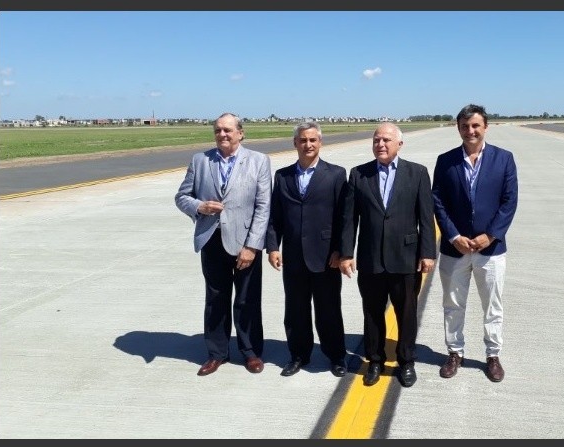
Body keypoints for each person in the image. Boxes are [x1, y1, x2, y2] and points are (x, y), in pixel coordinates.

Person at [339, 122, 436, 388]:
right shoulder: (359, 174)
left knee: (406, 312)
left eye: (386, 140)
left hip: (406, 258)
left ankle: (406, 361)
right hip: (370, 259)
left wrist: (428, 252)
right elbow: (350, 220)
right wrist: (347, 253)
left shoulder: (417, 173)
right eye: (376, 140)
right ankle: (375, 360)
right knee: (372, 312)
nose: (380, 144)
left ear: (399, 144)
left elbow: (426, 217)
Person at [175, 112, 272, 377]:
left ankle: (251, 352)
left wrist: (252, 246)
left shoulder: (259, 161)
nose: (222, 135)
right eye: (218, 130)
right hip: (211, 239)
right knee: (215, 298)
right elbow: (182, 197)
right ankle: (217, 353)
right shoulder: (200, 160)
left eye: (228, 130)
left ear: (241, 133)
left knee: (247, 299)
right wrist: (200, 207)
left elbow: (264, 207)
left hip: (244, 242)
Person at [431, 104, 518, 383]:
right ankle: (455, 352)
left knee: (492, 305)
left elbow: (509, 201)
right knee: (453, 304)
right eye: (465, 126)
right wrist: (454, 236)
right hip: (455, 249)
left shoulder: (504, 159)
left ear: (485, 127)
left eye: (476, 126)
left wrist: (490, 235)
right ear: (458, 129)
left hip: (490, 249)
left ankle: (493, 355)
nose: (471, 131)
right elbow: (438, 201)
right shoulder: (445, 161)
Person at [265, 121, 348, 378]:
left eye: (313, 140)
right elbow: (275, 216)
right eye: (303, 140)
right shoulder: (283, 175)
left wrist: (340, 250)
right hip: (293, 256)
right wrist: (272, 247)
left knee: (329, 310)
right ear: (295, 144)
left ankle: (336, 356)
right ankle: (298, 355)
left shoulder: (335, 174)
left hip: (326, 257)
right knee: (296, 310)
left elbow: (343, 218)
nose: (308, 145)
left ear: (320, 143)